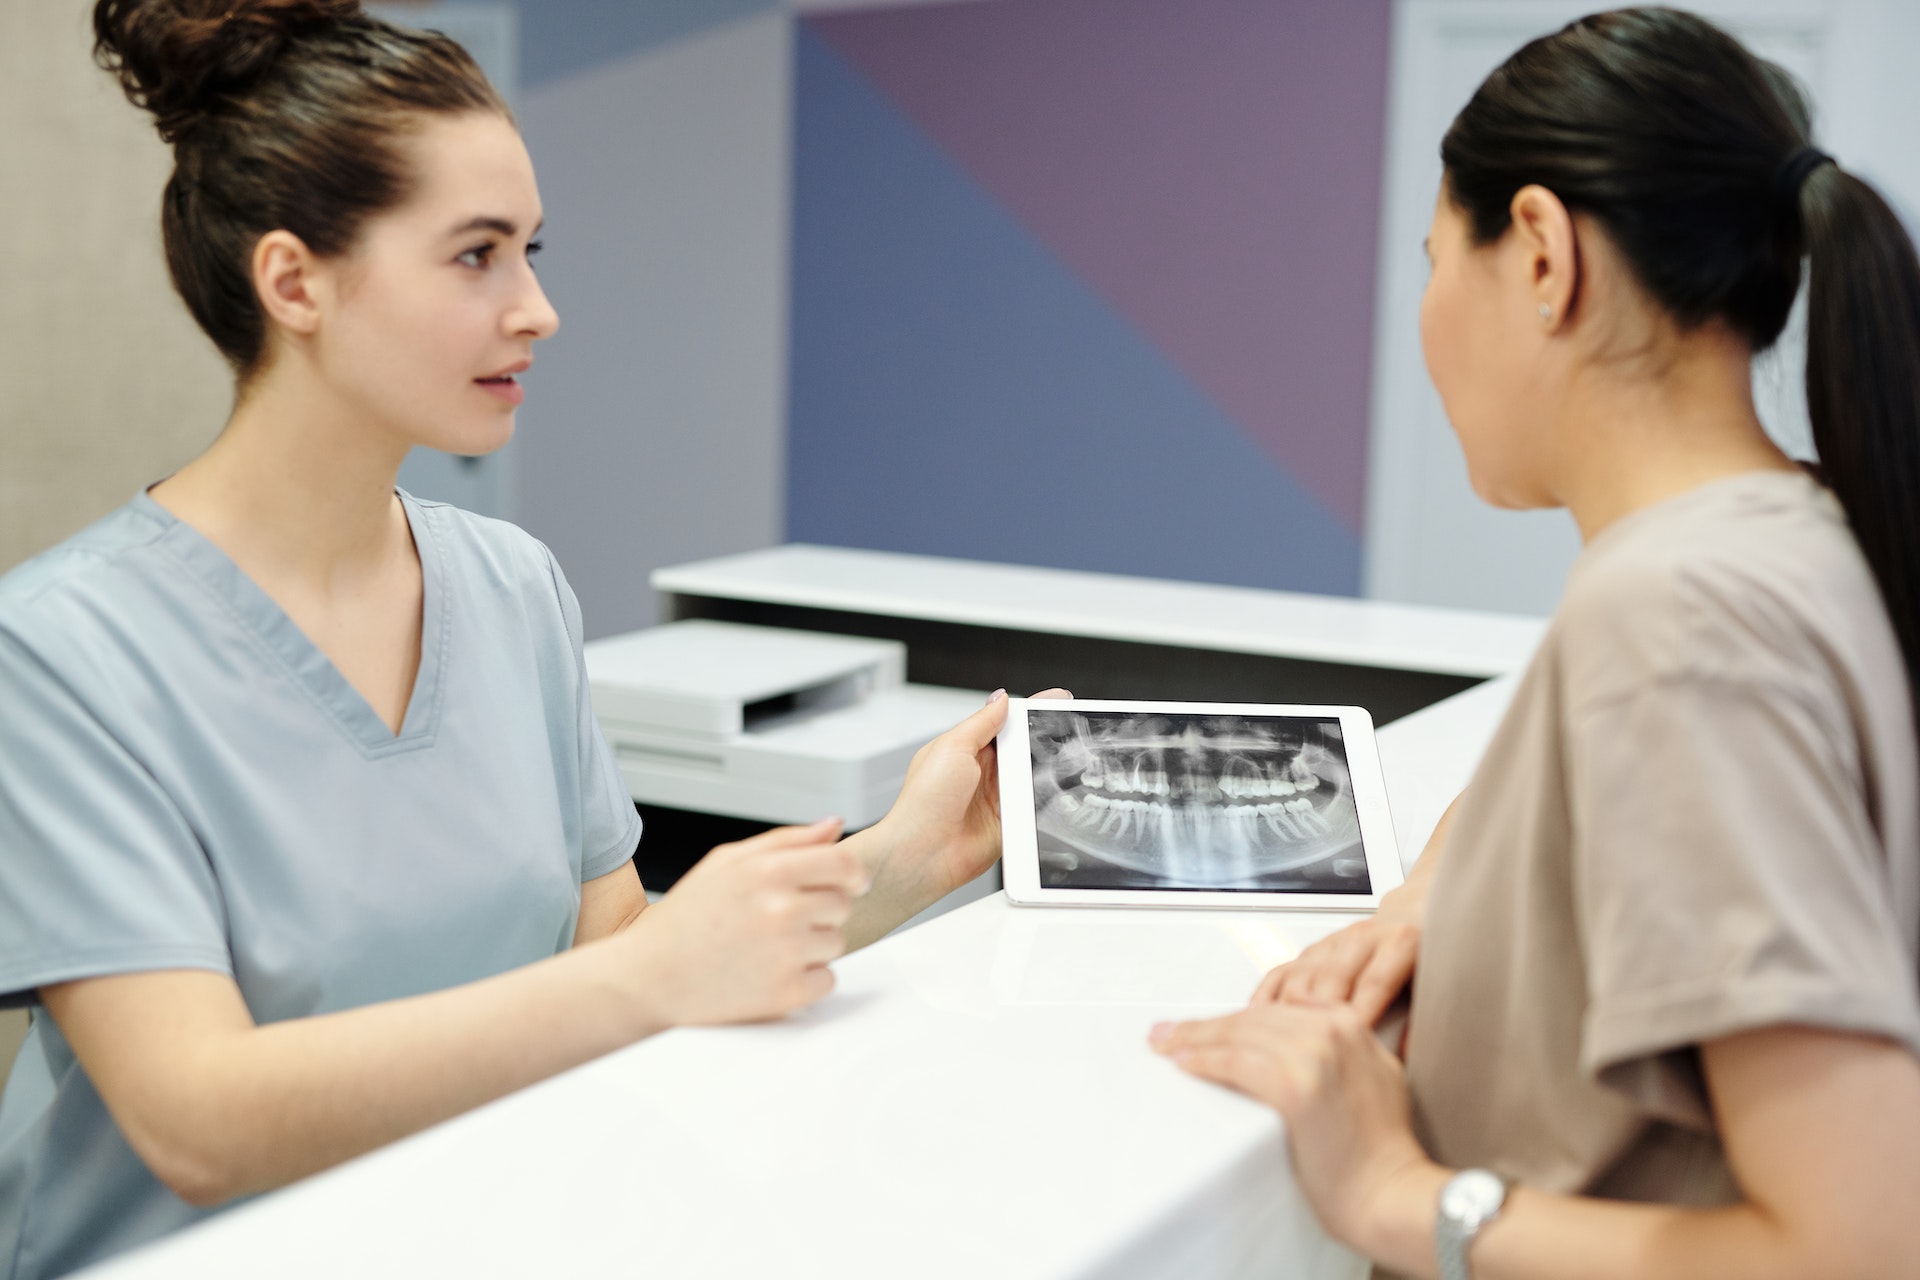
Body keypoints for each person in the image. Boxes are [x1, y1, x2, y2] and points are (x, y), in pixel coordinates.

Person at [0, 4, 1021, 1276]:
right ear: (294, 281)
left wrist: (906, 861)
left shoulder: (510, 586)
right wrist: (653, 979)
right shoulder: (59, 652)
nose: (537, 309)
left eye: (532, 251)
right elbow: (197, 1116)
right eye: (477, 256)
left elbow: (615, 957)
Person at [1150, 9, 1920, 1279]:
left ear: (1544, 255)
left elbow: (1855, 1243)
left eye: (1436, 259)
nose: (1429, 316)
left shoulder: (1680, 617)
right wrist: (1426, 898)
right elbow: (1584, 795)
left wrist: (1402, 1193)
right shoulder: (1792, 526)